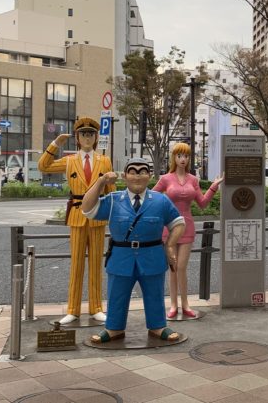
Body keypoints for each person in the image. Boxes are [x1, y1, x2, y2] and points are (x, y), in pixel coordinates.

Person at [82, 157, 185, 342]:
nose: (137, 176)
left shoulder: (161, 200)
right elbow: (87, 209)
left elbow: (178, 223)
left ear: (150, 175)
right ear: (124, 175)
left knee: (154, 293)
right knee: (117, 294)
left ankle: (158, 326)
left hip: (152, 255)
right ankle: (114, 328)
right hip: (121, 257)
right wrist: (101, 181)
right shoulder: (113, 201)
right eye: (133, 171)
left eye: (142, 171)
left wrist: (170, 245)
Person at [38, 117, 116, 324]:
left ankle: (96, 307)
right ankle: (73, 309)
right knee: (77, 264)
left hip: (98, 215)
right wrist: (56, 144)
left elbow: (111, 193)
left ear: (96, 137)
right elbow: (43, 166)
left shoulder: (104, 161)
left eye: (91, 134)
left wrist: (115, 217)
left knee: (96, 264)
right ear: (77, 138)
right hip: (77, 213)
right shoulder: (70, 160)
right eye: (83, 134)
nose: (87, 137)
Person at [152, 143, 223, 319]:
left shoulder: (193, 180)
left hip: (187, 225)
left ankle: (185, 304)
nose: (183, 159)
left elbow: (202, 203)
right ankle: (173, 305)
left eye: (186, 156)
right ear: (174, 158)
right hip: (168, 227)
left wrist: (214, 186)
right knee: (173, 267)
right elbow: (151, 198)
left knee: (181, 266)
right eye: (180, 156)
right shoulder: (165, 179)